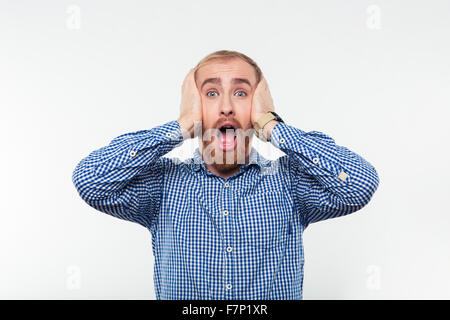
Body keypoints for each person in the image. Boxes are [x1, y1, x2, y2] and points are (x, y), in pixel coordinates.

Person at [72, 50, 379, 299]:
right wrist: (181, 126)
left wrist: (272, 125)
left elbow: (359, 183)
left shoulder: (289, 182)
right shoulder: (163, 184)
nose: (227, 107)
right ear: (194, 105)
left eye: (242, 93)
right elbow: (90, 179)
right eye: (212, 93)